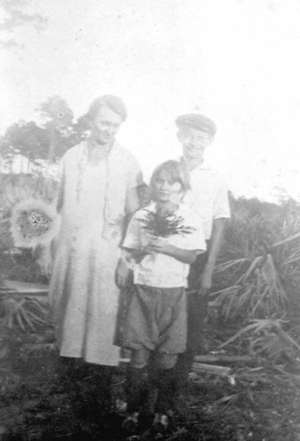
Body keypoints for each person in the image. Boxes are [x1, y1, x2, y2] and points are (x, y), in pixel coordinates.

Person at [49, 95, 143, 415]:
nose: (109, 131)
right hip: (71, 251)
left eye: (116, 126)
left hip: (107, 253)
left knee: (104, 321)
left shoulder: (128, 161)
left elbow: (134, 214)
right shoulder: (70, 157)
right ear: (90, 120)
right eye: (104, 123)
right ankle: (74, 403)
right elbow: (54, 204)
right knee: (70, 317)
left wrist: (127, 258)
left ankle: (100, 406)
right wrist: (44, 248)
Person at [117, 160, 206, 430]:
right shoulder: (142, 215)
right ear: (153, 184)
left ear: (181, 186)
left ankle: (161, 411)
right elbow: (129, 252)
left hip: (174, 292)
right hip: (144, 290)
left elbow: (191, 255)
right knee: (139, 356)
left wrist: (168, 248)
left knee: (168, 357)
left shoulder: (189, 217)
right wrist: (145, 249)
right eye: (160, 181)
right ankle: (133, 410)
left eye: (172, 182)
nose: (165, 187)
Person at [174, 113, 231, 395]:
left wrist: (208, 269)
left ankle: (176, 391)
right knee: (163, 320)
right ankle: (154, 389)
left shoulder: (216, 177)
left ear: (209, 142)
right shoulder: (168, 171)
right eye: (189, 135)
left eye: (200, 138)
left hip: (198, 257)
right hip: (167, 255)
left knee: (191, 325)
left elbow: (220, 222)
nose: (193, 142)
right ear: (179, 137)